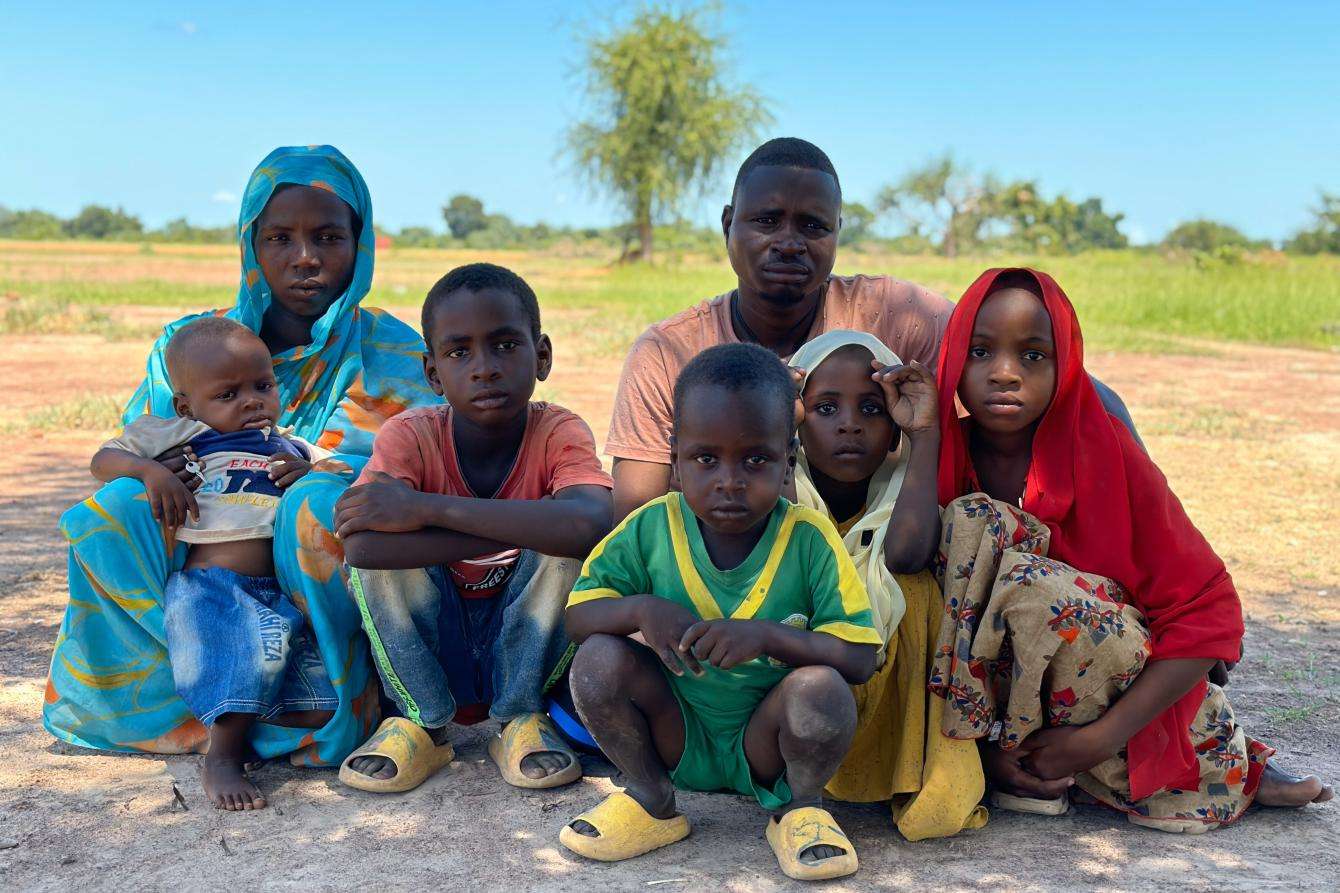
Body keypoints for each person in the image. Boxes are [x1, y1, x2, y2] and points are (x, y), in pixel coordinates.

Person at [45, 146, 438, 770]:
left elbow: (419, 473)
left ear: (359, 245)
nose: (304, 257)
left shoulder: (395, 352)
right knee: (115, 508)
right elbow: (138, 447)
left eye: (329, 237)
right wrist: (162, 472)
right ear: (251, 244)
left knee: (314, 507)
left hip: (321, 574)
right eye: (279, 237)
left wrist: (319, 476)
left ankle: (330, 691)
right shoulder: (193, 345)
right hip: (207, 558)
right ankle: (170, 691)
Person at [929, 267, 1333, 831]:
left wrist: (1097, 740)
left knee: (1035, 587)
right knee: (969, 524)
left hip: (1099, 705)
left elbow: (1208, 617)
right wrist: (984, 753)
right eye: (979, 351)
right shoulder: (937, 459)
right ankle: (992, 762)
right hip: (985, 718)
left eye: (1033, 356)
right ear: (951, 359)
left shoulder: (1106, 453)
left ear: (1066, 362)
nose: (1004, 374)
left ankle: (1227, 762)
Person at [606, 136, 1138, 521]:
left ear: (838, 233)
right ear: (729, 225)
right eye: (766, 221)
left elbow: (1057, 379)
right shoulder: (670, 352)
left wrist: (1158, 553)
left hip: (888, 559)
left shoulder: (893, 315)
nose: (789, 242)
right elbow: (635, 515)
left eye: (813, 226)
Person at [560, 343, 879, 882]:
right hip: (675, 731)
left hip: (768, 743)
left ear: (788, 461)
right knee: (597, 660)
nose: (729, 480)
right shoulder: (651, 527)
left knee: (822, 687)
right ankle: (649, 797)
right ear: (676, 458)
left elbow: (859, 657)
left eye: (755, 459)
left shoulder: (807, 537)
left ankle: (801, 809)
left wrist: (767, 637)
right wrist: (642, 608)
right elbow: (578, 617)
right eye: (706, 458)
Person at [333, 263, 614, 794]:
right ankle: (421, 723)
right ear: (433, 373)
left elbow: (592, 523)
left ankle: (520, 718)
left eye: (506, 345)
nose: (484, 368)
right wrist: (525, 526)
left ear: (543, 356)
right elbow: (364, 545)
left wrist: (424, 509)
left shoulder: (558, 429)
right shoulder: (410, 435)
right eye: (459, 352)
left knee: (565, 551)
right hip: (438, 639)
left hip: (528, 638)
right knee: (381, 567)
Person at [90, 317, 331, 809]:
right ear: (188, 404)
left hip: (279, 591)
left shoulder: (289, 443)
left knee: (317, 702)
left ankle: (251, 724)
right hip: (213, 587)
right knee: (237, 656)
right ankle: (222, 757)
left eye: (262, 386)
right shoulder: (185, 434)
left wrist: (306, 474)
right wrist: (150, 471)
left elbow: (340, 475)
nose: (250, 401)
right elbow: (103, 459)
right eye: (227, 394)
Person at [787, 329, 986, 839]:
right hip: (799, 695)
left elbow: (907, 554)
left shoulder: (900, 485)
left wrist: (926, 434)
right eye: (825, 409)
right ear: (796, 419)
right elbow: (782, 545)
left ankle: (902, 771)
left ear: (895, 426)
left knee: (915, 590)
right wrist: (773, 432)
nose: (850, 425)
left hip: (871, 672)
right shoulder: (779, 481)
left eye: (872, 410)